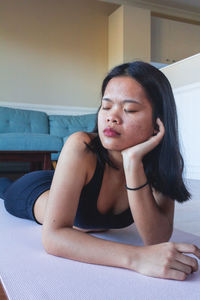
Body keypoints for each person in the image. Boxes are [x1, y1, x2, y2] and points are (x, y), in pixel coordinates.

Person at [2, 61, 200, 281]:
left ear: (157, 123)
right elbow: (54, 237)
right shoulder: (81, 146)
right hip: (32, 188)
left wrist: (133, 162)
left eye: (129, 109)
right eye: (106, 106)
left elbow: (157, 239)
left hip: (74, 179)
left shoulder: (164, 162)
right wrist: (137, 258)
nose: (111, 117)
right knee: (4, 187)